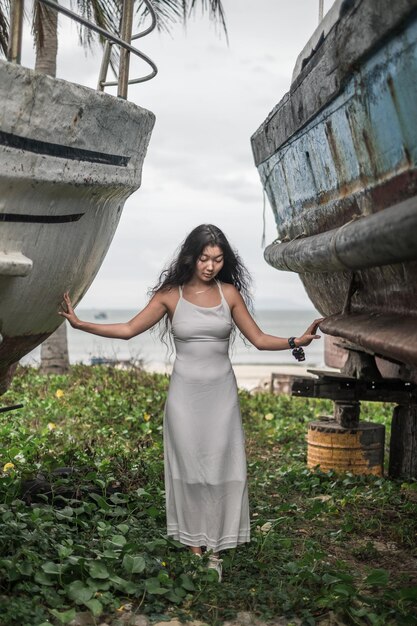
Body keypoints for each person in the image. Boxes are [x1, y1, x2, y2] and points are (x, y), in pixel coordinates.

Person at [59, 224, 323, 582]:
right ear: (191, 257)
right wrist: (81, 325)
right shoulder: (171, 295)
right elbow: (128, 329)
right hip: (184, 397)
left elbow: (259, 339)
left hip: (221, 396)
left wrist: (297, 339)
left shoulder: (229, 294)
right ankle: (194, 548)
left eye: (218, 259)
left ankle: (215, 550)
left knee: (219, 469)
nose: (211, 266)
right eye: (204, 258)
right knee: (189, 471)